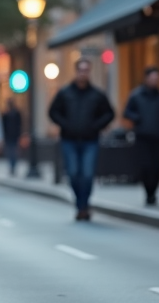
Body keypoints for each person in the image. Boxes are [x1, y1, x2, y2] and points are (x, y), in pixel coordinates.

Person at [48, 58, 115, 221]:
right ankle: (81, 204)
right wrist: (65, 124)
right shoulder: (65, 93)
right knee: (73, 173)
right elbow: (52, 112)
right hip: (69, 140)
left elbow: (109, 113)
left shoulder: (97, 94)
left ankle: (83, 205)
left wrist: (96, 125)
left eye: (86, 70)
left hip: (90, 140)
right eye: (81, 70)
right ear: (76, 71)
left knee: (87, 173)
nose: (83, 74)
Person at [123, 66, 159, 206]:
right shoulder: (136, 95)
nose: (155, 81)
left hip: (158, 136)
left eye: (157, 78)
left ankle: (153, 192)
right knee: (145, 166)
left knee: (157, 166)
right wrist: (137, 118)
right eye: (152, 78)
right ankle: (148, 192)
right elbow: (126, 112)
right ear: (146, 78)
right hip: (142, 137)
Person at [2, 99, 23, 176]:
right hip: (9, 136)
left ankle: (13, 166)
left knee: (13, 152)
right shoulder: (5, 115)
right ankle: (12, 166)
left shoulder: (16, 113)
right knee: (11, 152)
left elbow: (19, 124)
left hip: (14, 136)